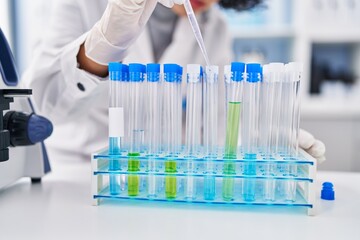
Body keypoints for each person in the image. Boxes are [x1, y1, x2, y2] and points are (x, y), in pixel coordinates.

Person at [23, 0, 325, 163]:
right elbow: (42, 107)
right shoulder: (77, 3)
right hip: (80, 177)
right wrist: (102, 46)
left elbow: (215, 128)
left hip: (163, 181)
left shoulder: (215, 26)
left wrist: (261, 143)